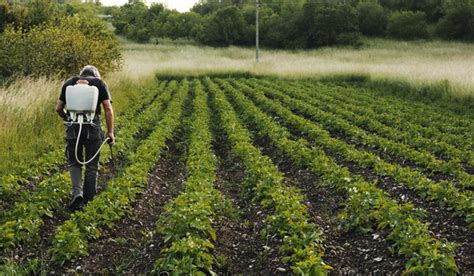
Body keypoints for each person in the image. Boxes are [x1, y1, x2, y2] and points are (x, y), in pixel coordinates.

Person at [55, 65, 115, 210]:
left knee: (74, 163)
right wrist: (110, 132)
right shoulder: (100, 84)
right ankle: (89, 200)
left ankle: (77, 194)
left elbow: (58, 108)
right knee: (91, 165)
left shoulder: (69, 83)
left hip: (73, 128)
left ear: (81, 75)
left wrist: (66, 118)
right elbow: (108, 108)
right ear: (96, 75)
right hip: (92, 128)